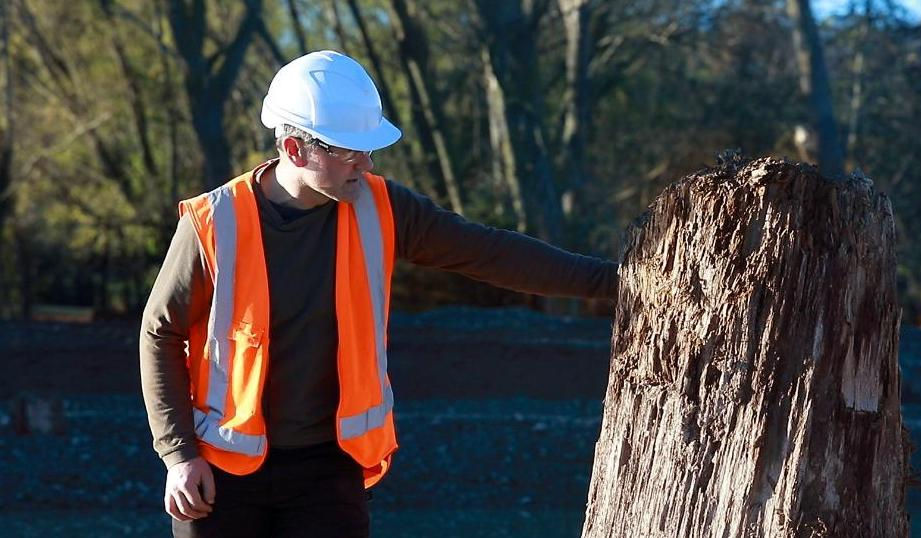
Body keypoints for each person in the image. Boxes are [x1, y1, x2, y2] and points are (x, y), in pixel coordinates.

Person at [139, 50, 617, 538]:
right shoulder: (214, 222)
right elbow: (159, 333)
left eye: (369, 150)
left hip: (329, 473)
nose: (366, 163)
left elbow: (489, 252)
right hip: (220, 475)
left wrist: (617, 284)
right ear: (295, 149)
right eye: (349, 151)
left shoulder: (384, 207)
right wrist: (178, 455)